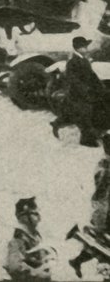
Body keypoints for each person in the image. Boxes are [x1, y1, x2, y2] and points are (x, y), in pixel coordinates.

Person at [70, 130, 110, 278]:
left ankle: (77, 261)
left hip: (103, 210)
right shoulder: (105, 165)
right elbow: (102, 193)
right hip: (104, 212)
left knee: (102, 246)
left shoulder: (105, 164)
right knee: (103, 246)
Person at [59, 37, 106, 147]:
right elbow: (73, 80)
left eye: (86, 46)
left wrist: (100, 86)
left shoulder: (84, 59)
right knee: (84, 116)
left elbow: (92, 75)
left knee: (91, 113)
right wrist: (85, 90)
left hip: (87, 92)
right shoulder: (72, 62)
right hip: (78, 94)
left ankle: (92, 135)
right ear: (78, 48)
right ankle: (86, 140)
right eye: (84, 47)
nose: (86, 49)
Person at [4, 196, 54, 281]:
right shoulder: (19, 240)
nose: (39, 218)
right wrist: (36, 273)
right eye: (35, 213)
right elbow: (14, 267)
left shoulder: (35, 238)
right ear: (24, 216)